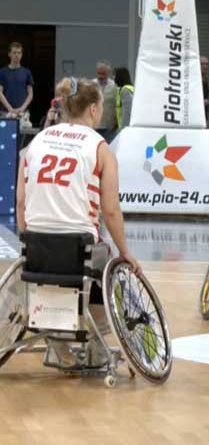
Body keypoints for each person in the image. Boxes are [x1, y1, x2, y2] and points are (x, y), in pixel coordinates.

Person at [16, 76, 142, 368]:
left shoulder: (37, 140)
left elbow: (21, 201)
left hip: (36, 245)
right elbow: (110, 210)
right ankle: (97, 346)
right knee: (108, 264)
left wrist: (27, 239)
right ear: (95, 109)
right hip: (78, 247)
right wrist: (126, 252)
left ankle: (57, 344)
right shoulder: (100, 147)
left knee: (51, 271)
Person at [0, 42, 33, 119]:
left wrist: (22, 108)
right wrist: (10, 109)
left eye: (19, 53)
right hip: (5, 113)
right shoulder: (2, 72)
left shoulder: (26, 72)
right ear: (9, 54)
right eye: (14, 52)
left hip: (23, 113)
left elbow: (30, 94)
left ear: (21, 55)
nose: (17, 55)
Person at [94, 61, 118, 142]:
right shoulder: (91, 85)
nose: (100, 76)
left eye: (103, 73)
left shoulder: (114, 86)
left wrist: (116, 122)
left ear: (108, 73)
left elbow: (118, 105)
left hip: (109, 128)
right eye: (99, 73)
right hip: (93, 126)